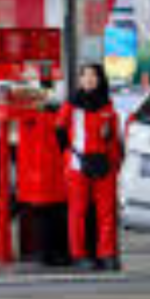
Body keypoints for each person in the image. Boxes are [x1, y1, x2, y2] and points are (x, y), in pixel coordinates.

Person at [56, 62, 123, 271]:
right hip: (78, 164)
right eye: (85, 75)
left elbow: (113, 137)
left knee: (107, 212)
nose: (89, 79)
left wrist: (114, 164)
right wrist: (70, 156)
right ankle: (78, 255)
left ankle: (107, 254)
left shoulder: (108, 105)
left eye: (93, 75)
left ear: (100, 79)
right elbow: (59, 130)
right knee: (77, 212)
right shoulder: (71, 105)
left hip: (104, 164)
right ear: (80, 80)